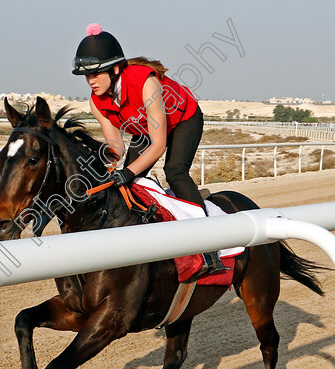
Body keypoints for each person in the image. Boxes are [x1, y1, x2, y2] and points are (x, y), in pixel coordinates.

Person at [72, 23, 227, 276]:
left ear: (114, 69)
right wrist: (102, 169)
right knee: (131, 184)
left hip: (183, 118)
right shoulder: (96, 102)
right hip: (144, 127)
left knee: (175, 171)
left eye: (96, 74)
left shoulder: (146, 82)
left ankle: (209, 247)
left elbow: (159, 145)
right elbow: (116, 147)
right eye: (87, 76)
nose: (91, 81)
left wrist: (127, 172)